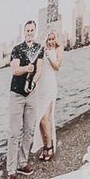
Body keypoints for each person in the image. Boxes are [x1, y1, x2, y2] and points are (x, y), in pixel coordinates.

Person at [5, 19, 43, 179]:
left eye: (32, 30)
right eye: (27, 30)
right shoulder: (17, 49)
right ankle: (11, 171)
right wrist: (26, 69)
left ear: (35, 31)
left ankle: (22, 163)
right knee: (14, 133)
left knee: (28, 130)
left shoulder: (38, 49)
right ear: (24, 32)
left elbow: (39, 69)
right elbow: (14, 69)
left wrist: (33, 83)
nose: (29, 33)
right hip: (16, 95)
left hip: (31, 95)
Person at [35, 26, 64, 161]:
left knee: (45, 118)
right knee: (40, 119)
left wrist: (49, 56)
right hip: (40, 86)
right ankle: (44, 146)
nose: (51, 41)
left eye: (53, 39)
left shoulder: (59, 49)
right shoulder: (42, 50)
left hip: (50, 85)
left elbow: (57, 67)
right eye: (49, 39)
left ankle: (49, 146)